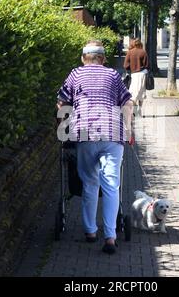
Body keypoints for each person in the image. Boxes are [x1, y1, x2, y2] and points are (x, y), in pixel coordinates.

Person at [57, 40, 134, 254]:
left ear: (83, 58)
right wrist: (128, 130)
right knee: (111, 185)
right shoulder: (113, 75)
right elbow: (128, 103)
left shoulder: (75, 74)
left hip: (85, 133)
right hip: (112, 133)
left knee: (90, 183)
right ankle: (110, 237)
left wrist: (63, 129)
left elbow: (62, 102)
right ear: (103, 59)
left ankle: (90, 231)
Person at [123, 38, 149, 115]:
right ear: (140, 44)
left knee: (133, 92)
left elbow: (125, 65)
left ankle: (133, 110)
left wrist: (129, 69)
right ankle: (139, 110)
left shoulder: (130, 52)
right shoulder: (143, 52)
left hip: (133, 75)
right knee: (141, 92)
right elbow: (147, 65)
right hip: (142, 74)